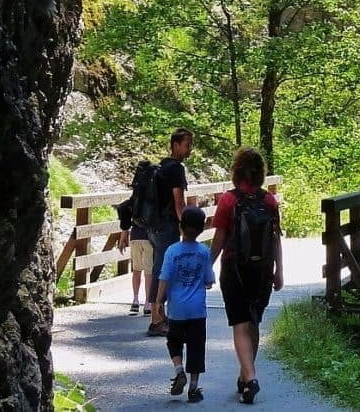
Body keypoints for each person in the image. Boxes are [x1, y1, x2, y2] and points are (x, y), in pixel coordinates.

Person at [210, 147, 284, 404]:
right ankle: (244, 378)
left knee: (240, 323)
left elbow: (219, 238)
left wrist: (208, 265)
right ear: (261, 172)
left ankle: (250, 378)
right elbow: (275, 239)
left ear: (237, 171)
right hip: (263, 270)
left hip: (235, 270)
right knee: (253, 323)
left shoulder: (228, 200)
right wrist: (279, 272)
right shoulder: (269, 201)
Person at [153, 206, 215, 403]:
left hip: (177, 309)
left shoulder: (172, 251)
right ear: (202, 229)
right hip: (197, 310)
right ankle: (194, 389)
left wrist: (158, 301)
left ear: (180, 227)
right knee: (197, 348)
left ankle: (179, 370)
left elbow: (164, 277)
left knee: (174, 340)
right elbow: (209, 280)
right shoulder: (204, 251)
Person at [148, 127, 193, 336]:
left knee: (160, 268)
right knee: (162, 270)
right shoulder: (176, 169)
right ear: (175, 145)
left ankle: (159, 315)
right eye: (187, 145)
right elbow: (179, 202)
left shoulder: (162, 166)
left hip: (153, 226)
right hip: (166, 226)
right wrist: (187, 229)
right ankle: (156, 319)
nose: (189, 149)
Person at [118, 225, 153, 316]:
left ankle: (135, 300)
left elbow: (126, 219)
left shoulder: (132, 209)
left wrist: (123, 236)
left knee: (136, 271)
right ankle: (147, 303)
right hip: (149, 237)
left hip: (135, 237)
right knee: (149, 273)